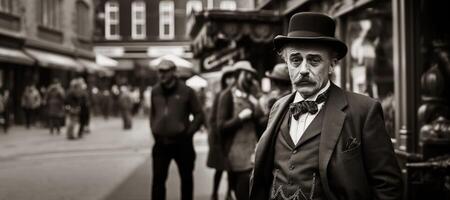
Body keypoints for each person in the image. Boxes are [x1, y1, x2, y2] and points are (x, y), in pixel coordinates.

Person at [249, 12, 403, 200]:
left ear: (331, 65)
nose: (303, 70)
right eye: (296, 60)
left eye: (314, 60)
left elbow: (388, 187)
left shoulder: (363, 111)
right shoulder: (278, 107)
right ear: (287, 63)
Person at [149, 59, 204, 200]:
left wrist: (188, 132)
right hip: (161, 143)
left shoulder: (186, 91)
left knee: (186, 180)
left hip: (182, 143)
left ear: (173, 72)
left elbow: (199, 114)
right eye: (159, 71)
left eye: (165, 71)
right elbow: (153, 113)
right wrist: (154, 129)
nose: (162, 75)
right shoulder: (155, 91)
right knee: (158, 181)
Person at [216, 60, 264, 200]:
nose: (250, 78)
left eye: (251, 75)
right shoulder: (227, 96)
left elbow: (259, 122)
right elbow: (221, 126)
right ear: (239, 75)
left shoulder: (252, 94)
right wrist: (240, 118)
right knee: (242, 190)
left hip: (253, 149)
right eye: (247, 74)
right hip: (235, 152)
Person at [206, 65, 236, 200]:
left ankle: (229, 192)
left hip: (232, 136)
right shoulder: (220, 95)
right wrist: (214, 138)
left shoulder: (236, 94)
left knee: (231, 168)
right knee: (219, 168)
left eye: (233, 77)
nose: (231, 80)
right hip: (219, 137)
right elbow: (212, 119)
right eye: (228, 77)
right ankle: (214, 192)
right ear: (225, 79)